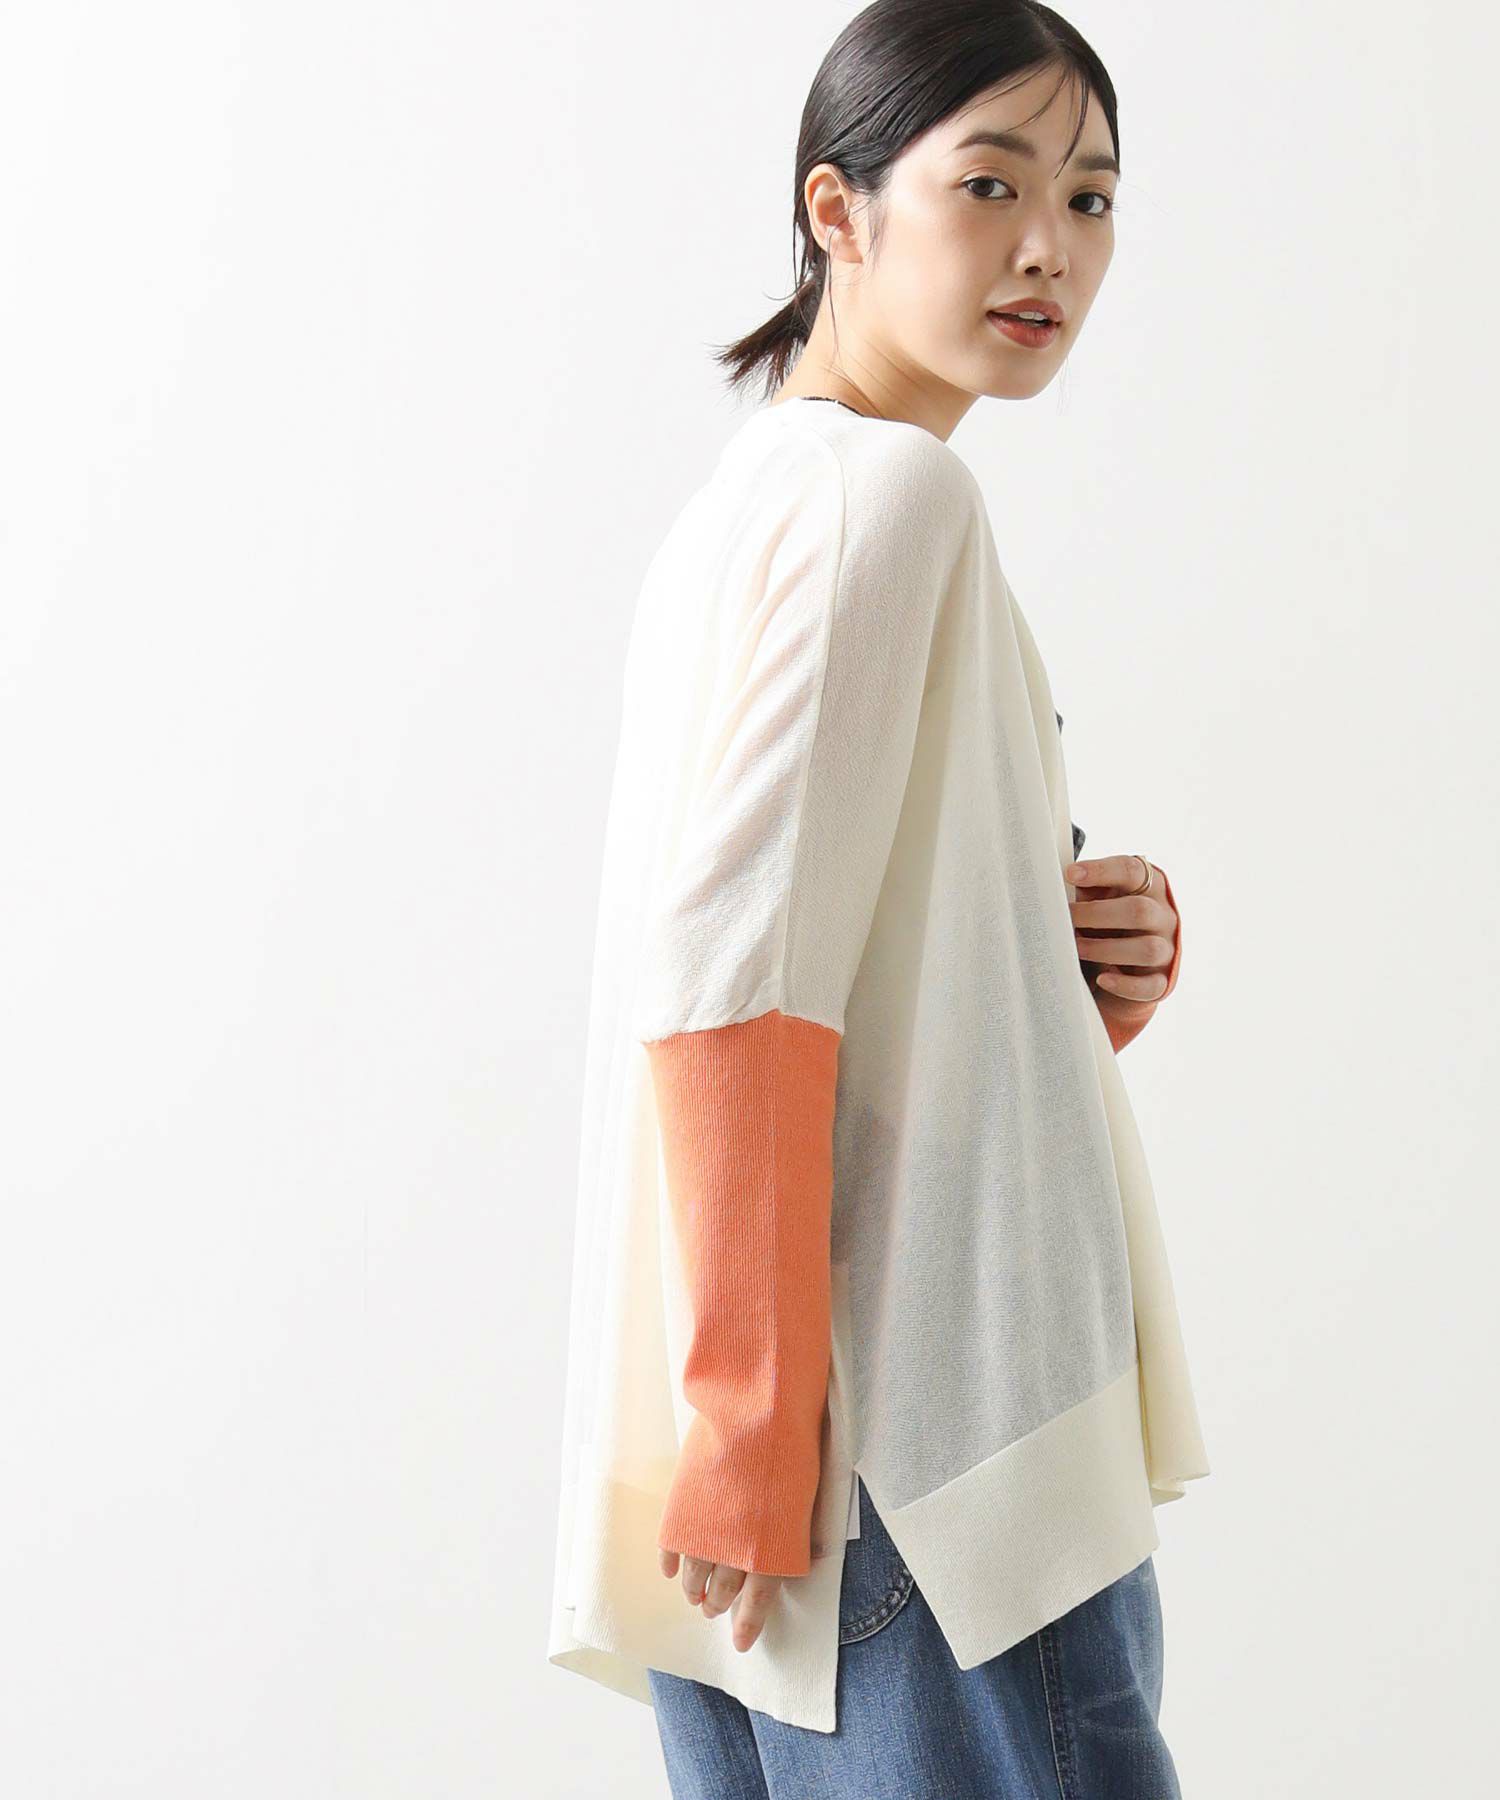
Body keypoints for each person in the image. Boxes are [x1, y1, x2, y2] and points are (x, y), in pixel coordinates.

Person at [547, 2, 1210, 1792]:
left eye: (1089, 198)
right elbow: (729, 977)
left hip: (773, 1480)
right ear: (836, 211)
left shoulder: (746, 507)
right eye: (990, 183)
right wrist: (759, 1422)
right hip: (923, 1469)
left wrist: (1062, 963)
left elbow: (813, 954)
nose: (1047, 245)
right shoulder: (893, 498)